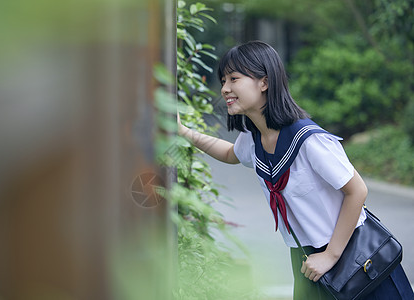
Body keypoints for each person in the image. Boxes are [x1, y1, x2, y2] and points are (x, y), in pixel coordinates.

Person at [177, 40, 414, 299]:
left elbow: (357, 190)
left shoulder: (309, 140)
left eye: (234, 78)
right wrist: (184, 133)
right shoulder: (253, 136)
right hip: (306, 258)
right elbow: (231, 154)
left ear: (264, 82)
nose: (225, 88)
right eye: (223, 80)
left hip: (355, 257)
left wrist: (330, 255)